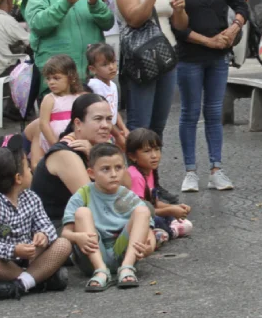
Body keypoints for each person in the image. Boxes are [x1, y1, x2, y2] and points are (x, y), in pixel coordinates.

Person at [173, 0, 249, 193]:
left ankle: (216, 169)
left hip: (218, 57)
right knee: (190, 113)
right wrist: (208, 41)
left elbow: (241, 5)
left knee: (214, 113)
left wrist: (234, 28)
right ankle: (190, 171)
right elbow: (177, 27)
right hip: (189, 57)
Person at [0, 139, 72, 302]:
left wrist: (43, 235)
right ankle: (37, 281)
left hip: (30, 260)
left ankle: (17, 286)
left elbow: (46, 225)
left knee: (63, 244)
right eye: (27, 167)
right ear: (18, 178)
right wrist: (13, 250)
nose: (31, 169)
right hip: (2, 263)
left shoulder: (31, 198)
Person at [114, 0, 188, 139]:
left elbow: (181, 25)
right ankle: (135, 173)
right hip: (141, 58)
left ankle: (152, 173)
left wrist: (180, 9)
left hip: (167, 55)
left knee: (158, 126)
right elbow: (135, 19)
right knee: (140, 127)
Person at [61, 143, 157, 291]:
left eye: (118, 168)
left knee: (143, 211)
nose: (113, 174)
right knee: (82, 212)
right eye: (105, 169)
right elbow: (65, 233)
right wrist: (78, 237)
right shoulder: (83, 194)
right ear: (91, 173)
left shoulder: (127, 196)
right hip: (92, 256)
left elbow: (148, 230)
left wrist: (150, 246)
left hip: (123, 252)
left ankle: (127, 268)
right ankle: (101, 271)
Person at [27, 0, 113, 97]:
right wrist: (65, 2)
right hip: (57, 79)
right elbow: (37, 24)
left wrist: (96, 4)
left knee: (94, 120)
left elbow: (108, 23)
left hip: (91, 79)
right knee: (58, 120)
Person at [30, 94, 117, 225]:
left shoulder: (98, 145)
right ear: (78, 124)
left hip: (87, 219)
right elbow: (92, 203)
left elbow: (126, 185)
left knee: (143, 210)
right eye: (98, 119)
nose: (105, 125)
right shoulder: (65, 153)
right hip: (55, 226)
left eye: (109, 119)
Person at [126, 128, 193, 244]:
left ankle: (163, 232)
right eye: (147, 151)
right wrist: (170, 210)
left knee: (185, 223)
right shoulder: (135, 176)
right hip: (136, 218)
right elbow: (141, 211)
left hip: (150, 213)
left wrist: (175, 207)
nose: (154, 155)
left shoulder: (149, 171)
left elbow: (154, 203)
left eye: (157, 150)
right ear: (132, 156)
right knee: (158, 220)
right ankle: (168, 232)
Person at [86, 43, 129, 150]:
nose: (111, 67)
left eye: (113, 62)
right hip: (101, 132)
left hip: (111, 130)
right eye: (105, 65)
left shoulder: (113, 85)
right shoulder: (95, 86)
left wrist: (123, 128)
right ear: (92, 69)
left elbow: (113, 110)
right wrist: (118, 135)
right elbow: (102, 115)